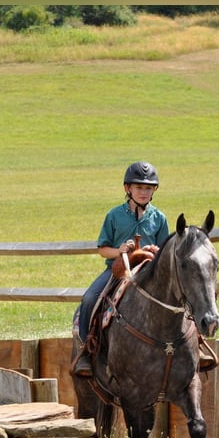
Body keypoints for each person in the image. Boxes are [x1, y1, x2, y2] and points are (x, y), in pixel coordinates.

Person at [73, 161, 169, 377]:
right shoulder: (114, 215)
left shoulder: (160, 218)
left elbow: (164, 252)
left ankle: (192, 344)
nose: (144, 192)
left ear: (154, 190)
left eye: (148, 188)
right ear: (128, 189)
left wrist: (156, 249)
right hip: (118, 270)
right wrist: (120, 251)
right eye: (139, 187)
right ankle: (86, 352)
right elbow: (102, 250)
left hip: (148, 271)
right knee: (89, 299)